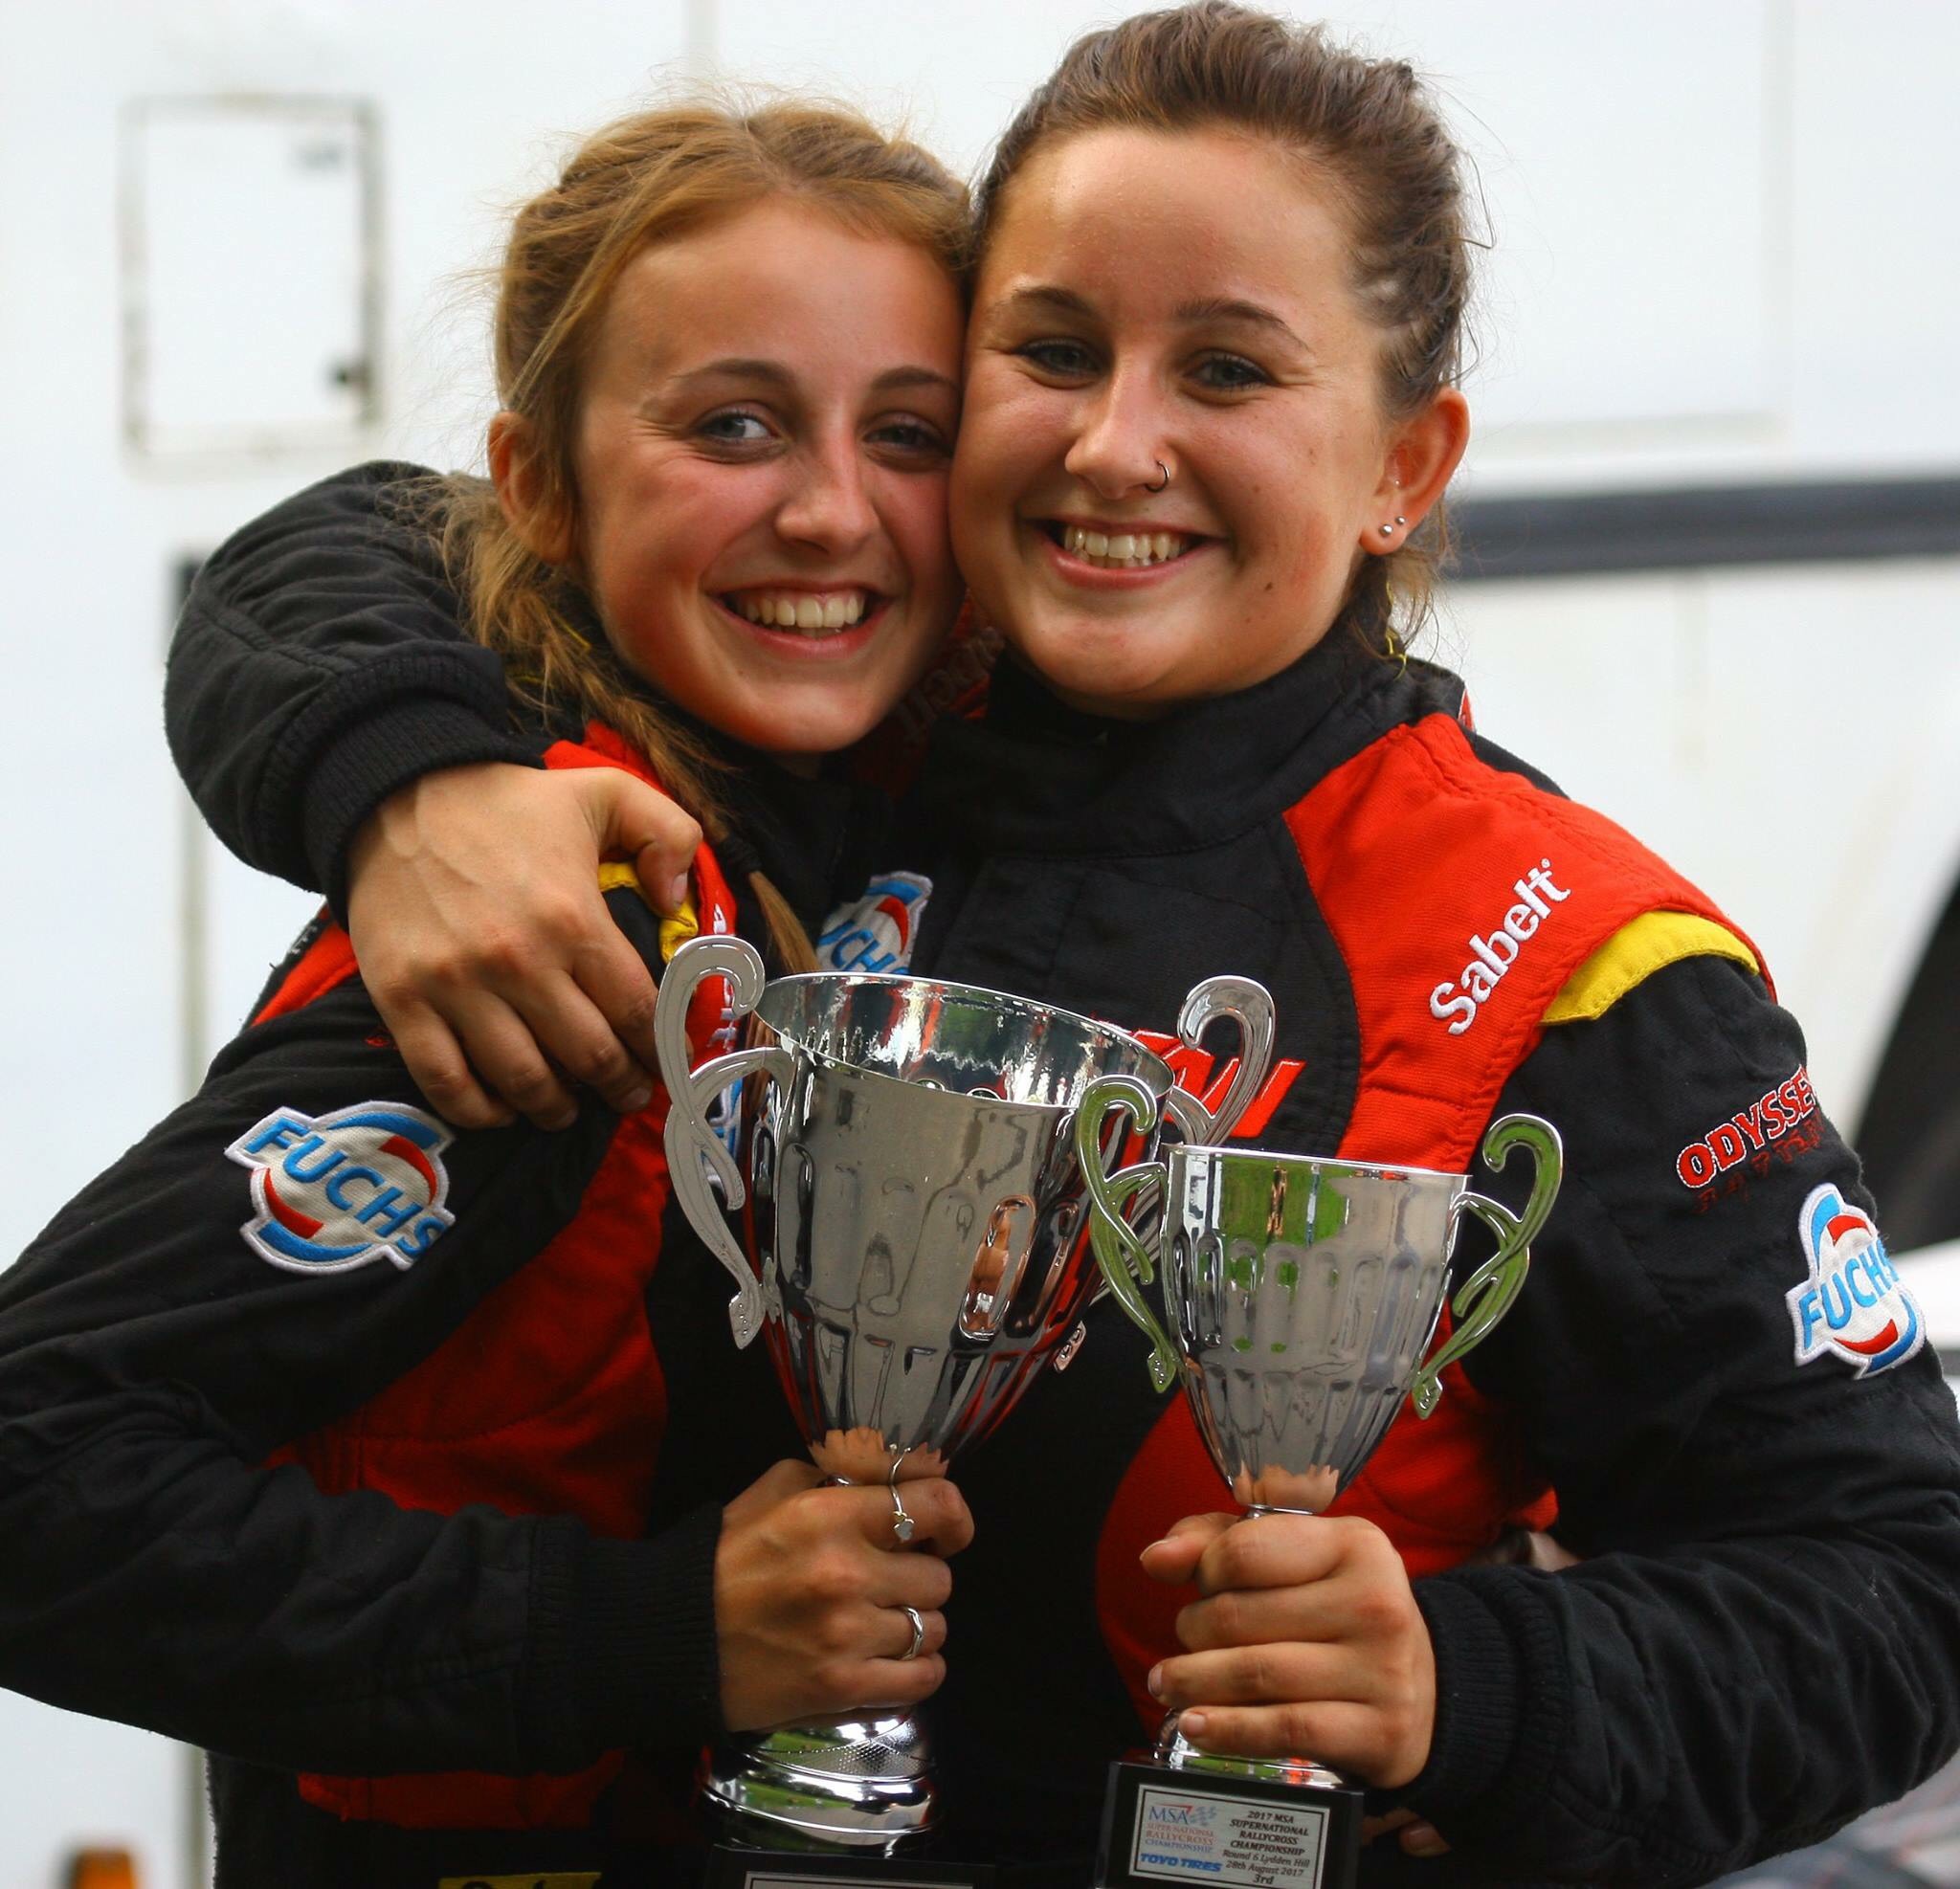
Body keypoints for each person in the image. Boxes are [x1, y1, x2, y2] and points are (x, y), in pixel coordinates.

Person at [160, 7, 1960, 1885]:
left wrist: (1470, 1681)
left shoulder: (1573, 957)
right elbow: (369, 538)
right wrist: (414, 780)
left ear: (1402, 467)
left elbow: (1897, 1595)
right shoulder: (825, 711)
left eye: (1228, 370)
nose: (1116, 447)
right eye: (1051, 349)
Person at [0, 99, 989, 1886]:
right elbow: (33, 1482)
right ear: (542, 484)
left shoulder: (945, 804)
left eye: (907, 432)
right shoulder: (562, 948)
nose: (833, 506)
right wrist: (641, 1633)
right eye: (734, 423)